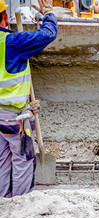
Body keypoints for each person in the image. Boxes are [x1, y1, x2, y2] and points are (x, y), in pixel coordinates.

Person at [0, 0, 57, 198]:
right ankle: (22, 205)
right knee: (23, 161)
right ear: (4, 17)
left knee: (1, 163)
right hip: (14, 118)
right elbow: (48, 34)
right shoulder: (11, 43)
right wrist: (48, 13)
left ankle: (3, 205)